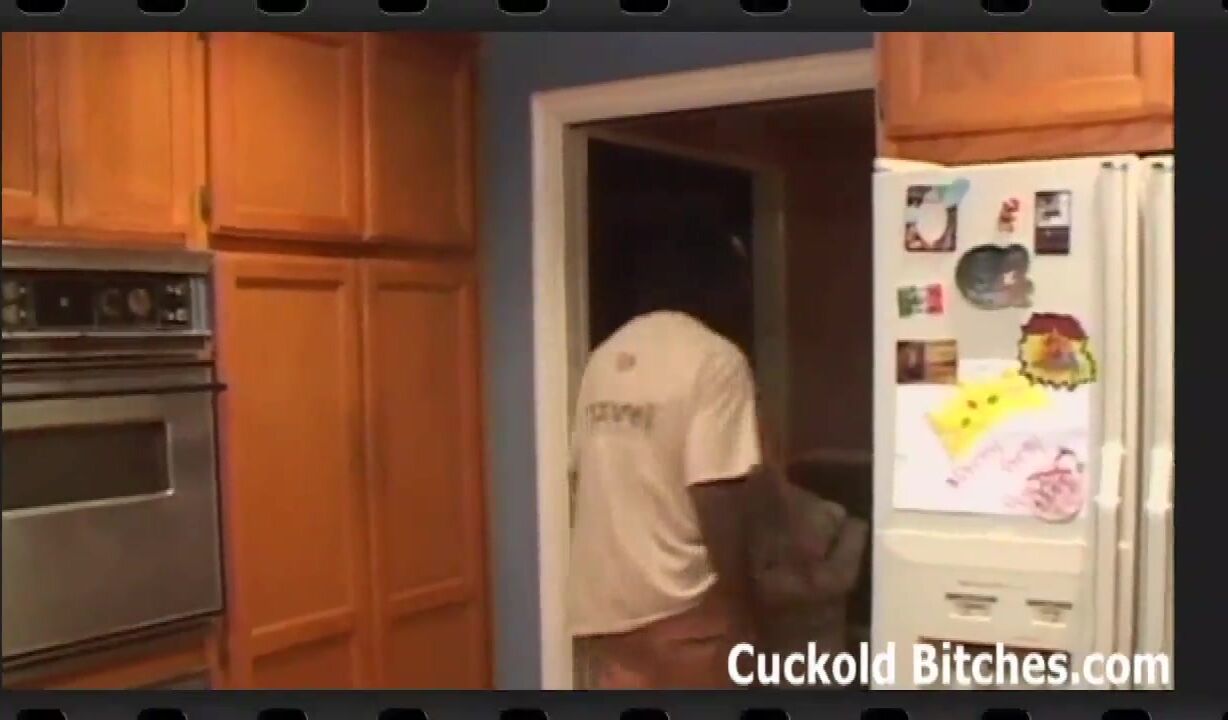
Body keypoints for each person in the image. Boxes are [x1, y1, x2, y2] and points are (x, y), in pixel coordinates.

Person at [568, 215, 761, 689]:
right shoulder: (717, 361)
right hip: (685, 614)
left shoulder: (604, 359)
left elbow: (581, 477)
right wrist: (743, 614)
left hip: (607, 617)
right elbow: (715, 494)